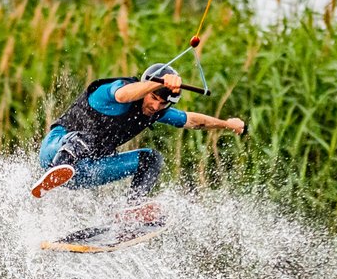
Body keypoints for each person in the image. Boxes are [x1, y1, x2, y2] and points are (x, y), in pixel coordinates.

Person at [31, 63, 246, 204]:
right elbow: (124, 96)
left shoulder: (154, 112)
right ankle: (56, 172)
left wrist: (227, 124)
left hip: (87, 171)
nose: (155, 106)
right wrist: (156, 82)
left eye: (162, 103)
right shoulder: (111, 92)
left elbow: (192, 120)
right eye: (153, 98)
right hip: (55, 151)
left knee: (151, 159)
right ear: (145, 88)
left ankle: (132, 210)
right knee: (85, 137)